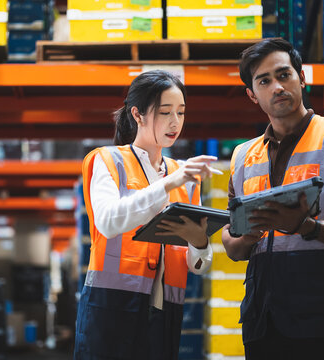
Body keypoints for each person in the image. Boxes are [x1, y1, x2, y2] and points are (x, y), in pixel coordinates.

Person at [221, 38, 324, 360]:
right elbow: (231, 241)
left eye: (284, 75)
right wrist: (245, 235)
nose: (277, 87)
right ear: (252, 94)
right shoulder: (242, 156)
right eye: (264, 81)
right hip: (262, 322)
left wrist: (307, 227)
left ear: (301, 79)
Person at [74, 70, 215, 359]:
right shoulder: (108, 160)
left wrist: (200, 243)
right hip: (111, 306)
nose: (175, 122)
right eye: (165, 112)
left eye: (181, 112)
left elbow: (198, 265)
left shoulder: (186, 177)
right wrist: (169, 183)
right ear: (137, 114)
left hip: (165, 314)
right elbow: (109, 222)